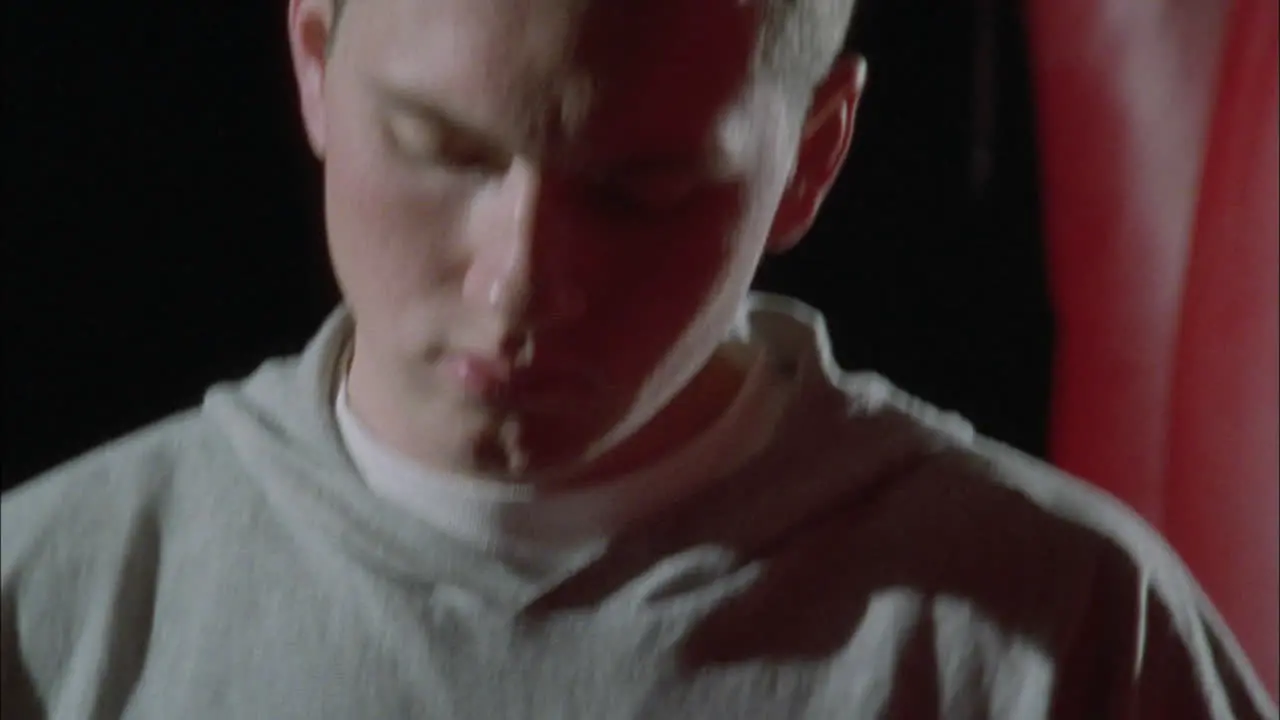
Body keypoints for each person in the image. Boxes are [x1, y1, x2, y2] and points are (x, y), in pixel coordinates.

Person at [2, 0, 1275, 716]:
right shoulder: (47, 603)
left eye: (636, 194)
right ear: (315, 60)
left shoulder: (1068, 636)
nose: (514, 281)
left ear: (811, 158)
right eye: (438, 147)